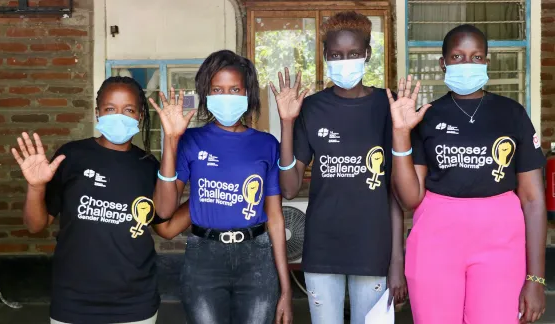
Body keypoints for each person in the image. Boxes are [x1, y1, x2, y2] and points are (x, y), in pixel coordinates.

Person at [388, 24, 547, 324]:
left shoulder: (512, 114)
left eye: (476, 57)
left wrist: (536, 279)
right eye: (457, 56)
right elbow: (410, 198)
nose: (467, 64)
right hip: (435, 245)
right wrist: (400, 134)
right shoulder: (426, 116)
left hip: (501, 246)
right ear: (443, 63)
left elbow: (533, 199)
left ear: (487, 62)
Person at [11, 76, 192, 323]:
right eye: (110, 109)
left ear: (139, 116)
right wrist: (35, 187)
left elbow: (164, 216)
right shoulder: (71, 157)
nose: (119, 116)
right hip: (73, 302)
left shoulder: (148, 166)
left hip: (135, 303)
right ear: (98, 114)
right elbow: (34, 225)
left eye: (129, 110)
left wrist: (172, 140)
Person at [270, 11, 407, 324]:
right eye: (336, 55)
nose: (345, 61)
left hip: (374, 248)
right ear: (325, 57)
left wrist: (396, 260)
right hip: (322, 248)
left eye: (354, 54)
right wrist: (287, 124)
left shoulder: (388, 105)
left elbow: (395, 191)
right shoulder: (313, 108)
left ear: (368, 54)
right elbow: (290, 187)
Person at [150, 49, 292, 324]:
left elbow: (275, 217)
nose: (226, 96)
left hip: (257, 258)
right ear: (206, 94)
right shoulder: (190, 140)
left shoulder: (266, 144)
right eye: (217, 89)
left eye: (235, 89)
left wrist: (285, 289)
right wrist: (171, 140)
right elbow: (165, 210)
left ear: (247, 93)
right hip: (204, 257)